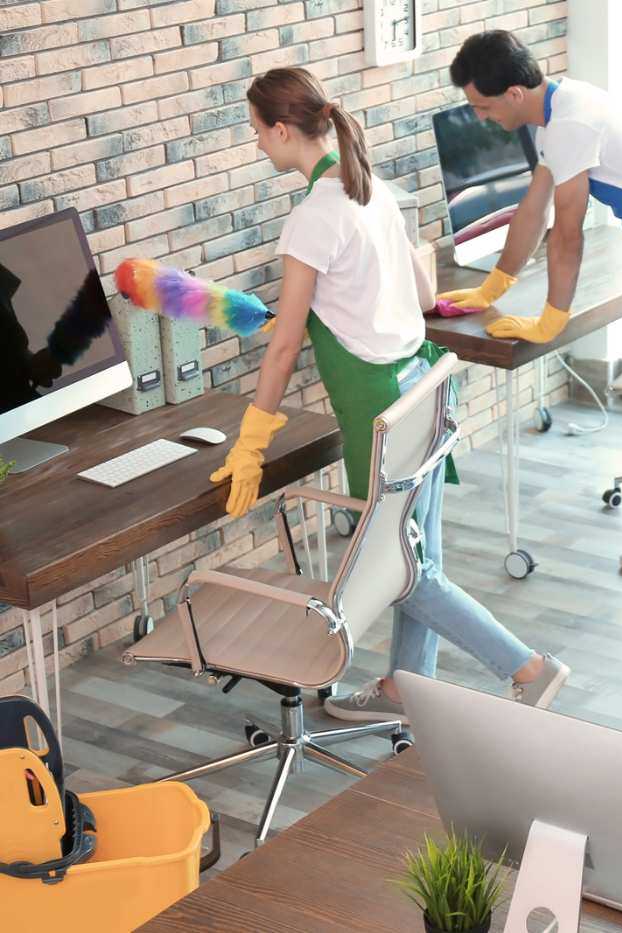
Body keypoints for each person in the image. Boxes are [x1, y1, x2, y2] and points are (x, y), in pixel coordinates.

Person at [213, 68, 569, 728]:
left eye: (258, 132)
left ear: (283, 130)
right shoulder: (368, 185)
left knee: (401, 570)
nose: (258, 145)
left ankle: (527, 666)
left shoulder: (314, 216)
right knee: (418, 552)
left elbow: (287, 346)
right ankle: (408, 686)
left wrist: (252, 439)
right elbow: (417, 280)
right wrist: (325, 303)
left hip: (382, 410)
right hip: (425, 389)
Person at [440, 30, 622, 573]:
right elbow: (533, 210)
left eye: (483, 106)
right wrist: (493, 286)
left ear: (512, 93)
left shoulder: (571, 122)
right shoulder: (561, 109)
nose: (481, 118)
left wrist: (551, 317)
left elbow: (568, 232)